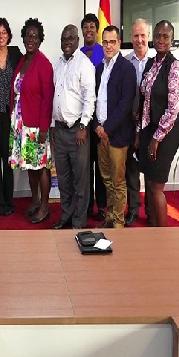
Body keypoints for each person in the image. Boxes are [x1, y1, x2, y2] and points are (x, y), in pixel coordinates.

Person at [136, 20, 179, 227]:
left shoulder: (175, 67)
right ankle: (153, 228)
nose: (161, 40)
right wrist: (140, 133)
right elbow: (144, 102)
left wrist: (156, 138)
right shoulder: (150, 63)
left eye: (165, 37)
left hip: (165, 134)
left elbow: (172, 108)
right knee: (148, 180)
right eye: (157, 36)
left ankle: (163, 235)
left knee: (156, 186)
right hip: (148, 131)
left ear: (171, 40)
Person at [50, 25, 96, 229]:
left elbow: (89, 98)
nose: (66, 42)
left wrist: (84, 125)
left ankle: (78, 221)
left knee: (80, 180)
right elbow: (56, 97)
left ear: (77, 40)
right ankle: (66, 216)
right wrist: (52, 126)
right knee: (64, 179)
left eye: (70, 38)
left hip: (77, 131)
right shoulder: (58, 64)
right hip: (59, 131)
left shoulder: (84, 64)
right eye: (63, 39)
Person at [9, 18, 54, 224]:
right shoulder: (23, 60)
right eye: (28, 35)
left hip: (37, 124)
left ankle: (45, 207)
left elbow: (47, 98)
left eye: (35, 36)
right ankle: (35, 200)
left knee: (42, 167)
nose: (31, 39)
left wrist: (44, 127)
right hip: (22, 123)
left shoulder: (43, 64)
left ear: (40, 39)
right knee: (30, 165)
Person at [94, 25, 137, 228]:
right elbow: (94, 100)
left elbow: (125, 103)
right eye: (105, 42)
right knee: (107, 179)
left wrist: (107, 128)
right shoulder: (99, 68)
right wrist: (97, 126)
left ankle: (118, 223)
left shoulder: (127, 69)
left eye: (112, 42)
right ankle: (111, 217)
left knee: (118, 181)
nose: (108, 46)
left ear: (119, 43)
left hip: (117, 135)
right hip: (100, 134)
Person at [0, 18, 22, 217]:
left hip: (10, 115)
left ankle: (9, 202)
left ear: (8, 35)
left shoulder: (16, 54)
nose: (1, 36)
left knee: (9, 160)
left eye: (4, 32)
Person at [123, 19, 156, 226]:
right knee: (131, 170)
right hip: (129, 124)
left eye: (143, 35)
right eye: (136, 35)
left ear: (149, 37)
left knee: (152, 172)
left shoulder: (156, 63)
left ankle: (152, 211)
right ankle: (133, 209)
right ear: (130, 38)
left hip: (150, 127)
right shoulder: (125, 62)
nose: (139, 39)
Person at [80, 13, 107, 221]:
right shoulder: (77, 53)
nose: (89, 30)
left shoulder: (104, 52)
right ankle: (87, 204)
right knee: (85, 165)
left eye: (92, 27)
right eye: (85, 27)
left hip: (100, 120)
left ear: (97, 30)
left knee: (101, 165)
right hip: (82, 121)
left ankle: (103, 206)